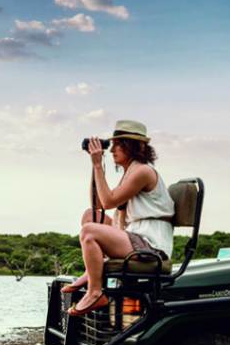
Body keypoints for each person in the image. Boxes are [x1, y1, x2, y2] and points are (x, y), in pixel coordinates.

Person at [67, 120, 167, 316]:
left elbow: (108, 202)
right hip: (134, 236)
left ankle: (95, 291)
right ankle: (92, 271)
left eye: (118, 144)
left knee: (89, 232)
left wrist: (97, 165)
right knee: (90, 216)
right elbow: (98, 207)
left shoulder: (143, 171)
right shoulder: (131, 172)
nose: (112, 150)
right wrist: (94, 167)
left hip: (150, 245)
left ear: (135, 146)